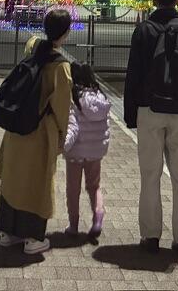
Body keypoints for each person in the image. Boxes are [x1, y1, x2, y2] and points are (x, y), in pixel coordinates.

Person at [124, 0, 178, 261]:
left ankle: (150, 237)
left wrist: (130, 113)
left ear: (154, 0)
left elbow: (133, 73)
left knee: (150, 175)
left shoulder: (144, 30)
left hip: (149, 110)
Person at [0, 8, 73, 255]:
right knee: (37, 183)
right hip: (40, 132)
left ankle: (8, 232)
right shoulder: (60, 67)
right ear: (65, 33)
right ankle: (32, 238)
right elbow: (62, 108)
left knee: (14, 178)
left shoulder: (32, 51)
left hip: (16, 128)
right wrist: (63, 136)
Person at [63, 62, 110, 238]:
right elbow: (106, 127)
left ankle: (73, 225)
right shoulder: (101, 98)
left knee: (73, 189)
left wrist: (62, 146)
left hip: (75, 153)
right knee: (94, 186)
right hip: (95, 153)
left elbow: (72, 127)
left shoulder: (74, 98)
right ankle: (98, 215)